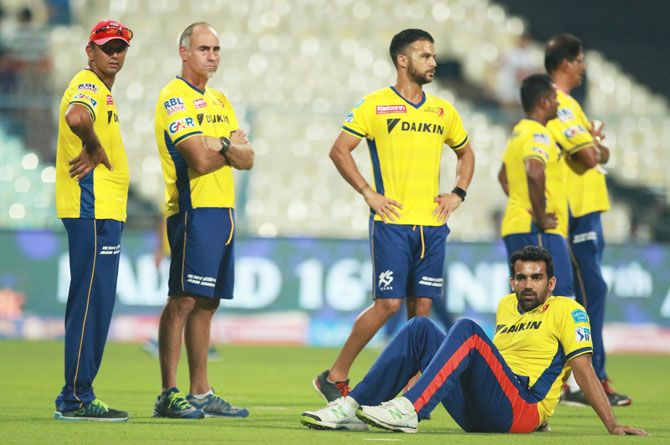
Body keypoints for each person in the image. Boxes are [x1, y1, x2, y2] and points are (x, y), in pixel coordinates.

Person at [301, 246, 648, 436]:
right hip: (481, 410)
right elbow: (489, 363)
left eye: (537, 278)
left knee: (466, 329)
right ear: (512, 282)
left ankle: (410, 409)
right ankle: (350, 407)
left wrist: (612, 425)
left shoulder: (568, 310)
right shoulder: (506, 306)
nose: (529, 284)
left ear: (552, 283)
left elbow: (583, 368)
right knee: (419, 328)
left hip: (522, 409)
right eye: (522, 277)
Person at [313, 28, 475, 402]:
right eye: (424, 55)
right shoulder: (374, 105)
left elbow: (466, 154)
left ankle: (408, 393)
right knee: (388, 304)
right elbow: (339, 150)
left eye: (433, 56)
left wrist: (458, 193)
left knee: (421, 316)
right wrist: (369, 193)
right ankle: (334, 377)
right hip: (392, 224)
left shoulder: (443, 110)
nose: (432, 62)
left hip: (433, 225)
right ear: (402, 61)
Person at [152, 22, 253, 419]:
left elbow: (249, 158)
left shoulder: (220, 99)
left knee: (208, 303)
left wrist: (222, 146)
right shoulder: (174, 98)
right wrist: (230, 146)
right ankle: (167, 393)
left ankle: (200, 392)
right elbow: (197, 158)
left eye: (216, 49)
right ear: (184, 53)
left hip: (224, 211)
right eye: (204, 49)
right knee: (182, 299)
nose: (212, 56)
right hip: (192, 211)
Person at [53, 19, 133, 421]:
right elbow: (76, 117)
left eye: (120, 47)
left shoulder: (102, 90)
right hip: (91, 208)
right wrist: (96, 148)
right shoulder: (87, 85)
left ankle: (79, 392)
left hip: (102, 209)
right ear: (90, 51)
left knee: (96, 302)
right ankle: (76, 397)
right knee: (89, 302)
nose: (114, 54)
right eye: (107, 47)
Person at [544, 34, 630, 406]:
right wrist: (594, 145)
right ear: (566, 63)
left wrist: (595, 146)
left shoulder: (569, 104)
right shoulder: (557, 104)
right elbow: (593, 156)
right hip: (575, 212)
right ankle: (586, 379)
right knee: (586, 293)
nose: (584, 68)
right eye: (580, 60)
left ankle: (585, 379)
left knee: (587, 293)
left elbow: (598, 151)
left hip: (586, 209)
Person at [498, 74, 574, 297]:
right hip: (539, 230)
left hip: (517, 225)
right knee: (559, 296)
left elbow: (503, 177)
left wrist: (522, 203)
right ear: (543, 102)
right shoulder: (538, 133)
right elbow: (534, 170)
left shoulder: (519, 131)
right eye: (554, 97)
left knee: (524, 300)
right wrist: (540, 216)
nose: (558, 102)